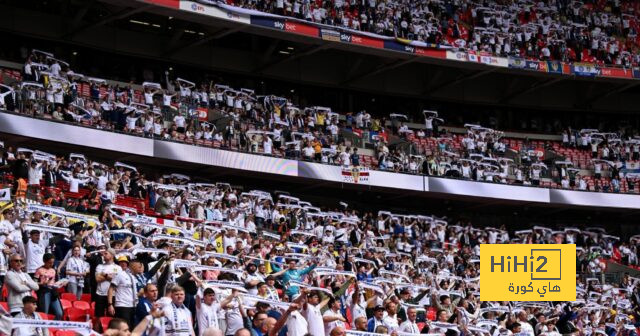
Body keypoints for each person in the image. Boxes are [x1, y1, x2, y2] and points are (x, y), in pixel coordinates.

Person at [108, 256, 139, 328]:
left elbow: (137, 291)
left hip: (133, 305)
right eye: (121, 262)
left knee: (131, 328)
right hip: (122, 305)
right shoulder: (118, 274)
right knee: (123, 328)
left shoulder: (132, 276)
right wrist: (110, 304)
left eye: (125, 262)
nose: (123, 264)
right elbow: (111, 289)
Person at [34, 253, 63, 320]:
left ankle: (54, 327)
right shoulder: (39, 270)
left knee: (59, 313)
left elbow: (54, 281)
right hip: (44, 291)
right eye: (49, 262)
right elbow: (34, 283)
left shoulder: (53, 270)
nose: (51, 264)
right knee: (44, 312)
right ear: (44, 261)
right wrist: (42, 283)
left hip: (53, 291)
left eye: (52, 262)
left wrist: (60, 284)